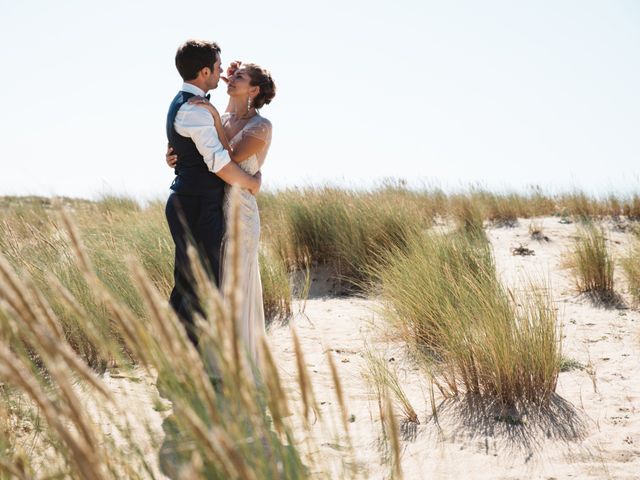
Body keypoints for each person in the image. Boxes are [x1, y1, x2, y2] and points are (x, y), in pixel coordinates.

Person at [166, 60, 276, 365]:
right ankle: (210, 360)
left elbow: (227, 159)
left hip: (240, 212)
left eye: (239, 77)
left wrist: (214, 115)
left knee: (236, 283)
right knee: (215, 281)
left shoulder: (260, 125)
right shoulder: (214, 115)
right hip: (212, 208)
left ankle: (238, 364)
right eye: (231, 74)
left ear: (253, 90)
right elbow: (197, 154)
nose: (230, 78)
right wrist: (175, 156)